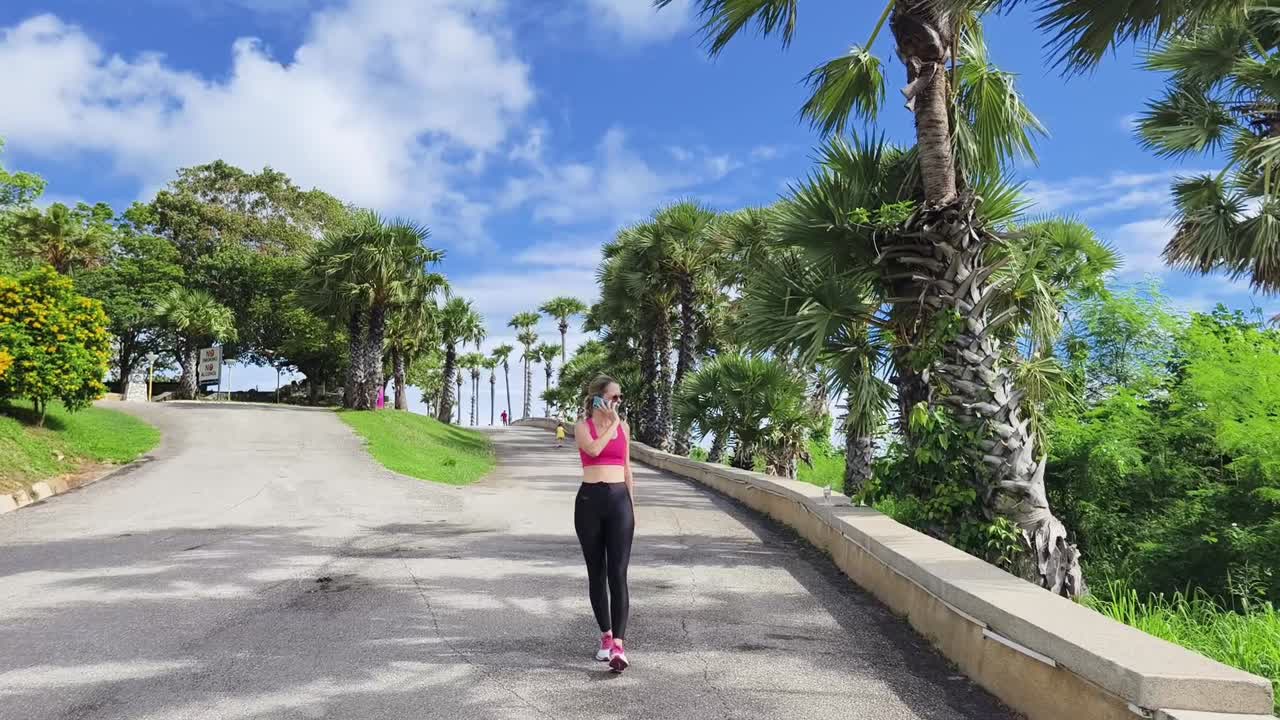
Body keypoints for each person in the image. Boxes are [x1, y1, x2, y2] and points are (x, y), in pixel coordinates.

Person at [574, 375, 634, 673]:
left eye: (620, 397)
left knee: (618, 573)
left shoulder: (623, 428)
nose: (618, 402)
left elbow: (626, 469)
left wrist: (631, 505)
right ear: (598, 398)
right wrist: (610, 424)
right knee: (596, 573)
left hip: (619, 502)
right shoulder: (582, 427)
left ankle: (619, 647)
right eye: (614, 397)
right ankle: (606, 637)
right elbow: (594, 450)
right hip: (589, 503)